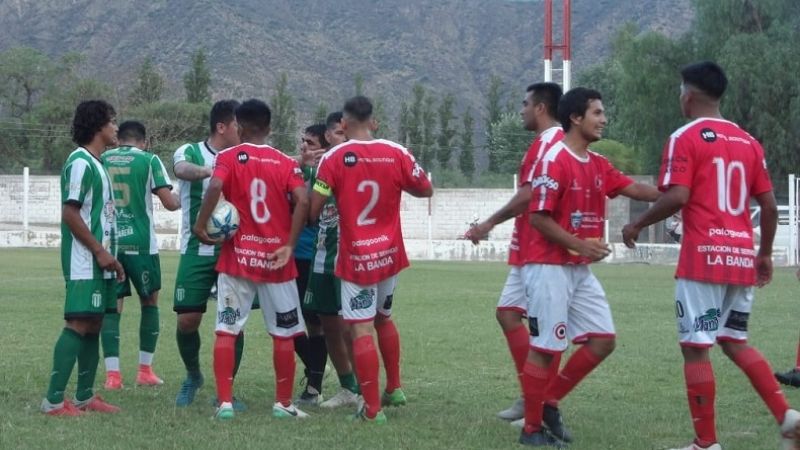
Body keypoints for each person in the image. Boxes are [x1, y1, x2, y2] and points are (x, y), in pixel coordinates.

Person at [622, 61, 800, 450]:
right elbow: (768, 207)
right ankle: (788, 416)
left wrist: (637, 225)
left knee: (695, 346)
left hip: (703, 258)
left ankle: (706, 443)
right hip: (739, 257)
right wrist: (765, 254)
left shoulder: (684, 137)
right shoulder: (749, 142)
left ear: (689, 95)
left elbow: (678, 195)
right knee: (735, 341)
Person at [519, 87, 660, 446]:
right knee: (546, 348)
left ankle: (548, 400)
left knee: (602, 340)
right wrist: (582, 244)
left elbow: (635, 189)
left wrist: (679, 192)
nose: (604, 119)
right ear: (575, 118)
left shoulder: (597, 164)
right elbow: (538, 218)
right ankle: (531, 430)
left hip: (578, 268)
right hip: (548, 266)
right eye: (597, 112)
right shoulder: (555, 160)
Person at [310, 96, 433, 423]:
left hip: (357, 259)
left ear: (343, 126)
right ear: (374, 123)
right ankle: (394, 388)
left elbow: (314, 208)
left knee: (361, 329)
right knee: (384, 319)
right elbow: (426, 189)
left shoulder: (333, 158)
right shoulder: (397, 152)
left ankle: (372, 409)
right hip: (389, 254)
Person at [193, 99, 309, 420]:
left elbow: (216, 184)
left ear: (239, 126)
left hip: (238, 259)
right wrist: (289, 244)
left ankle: (225, 403)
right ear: (269, 128)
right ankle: (283, 404)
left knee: (226, 330)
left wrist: (200, 225)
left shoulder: (227, 156)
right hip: (277, 260)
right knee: (283, 333)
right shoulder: (286, 162)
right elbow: (302, 199)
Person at [464, 82, 564, 423]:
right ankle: (532, 395)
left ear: (540, 107)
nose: (521, 110)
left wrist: (489, 223)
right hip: (529, 249)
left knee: (546, 330)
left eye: (525, 104)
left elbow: (529, 195)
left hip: (544, 252)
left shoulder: (551, 143)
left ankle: (542, 402)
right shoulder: (544, 142)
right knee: (508, 314)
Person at [41, 100, 124, 416]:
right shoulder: (80, 162)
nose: (116, 128)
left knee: (95, 322)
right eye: (112, 122)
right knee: (78, 322)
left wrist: (110, 256)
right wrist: (100, 252)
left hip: (100, 259)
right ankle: (52, 401)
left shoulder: (98, 163)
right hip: (84, 259)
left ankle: (85, 396)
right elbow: (70, 213)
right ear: (98, 126)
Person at [172, 100, 242, 408]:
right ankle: (193, 375)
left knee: (232, 321)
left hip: (233, 249)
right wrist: (209, 171)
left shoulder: (243, 155)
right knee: (188, 320)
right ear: (222, 127)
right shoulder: (189, 151)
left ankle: (225, 392)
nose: (242, 131)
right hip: (196, 247)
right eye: (238, 126)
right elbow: (181, 170)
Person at [100, 121, 180, 389]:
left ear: (119, 138)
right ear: (143, 141)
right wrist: (190, 194)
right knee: (150, 302)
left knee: (114, 306)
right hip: (141, 243)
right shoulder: (149, 160)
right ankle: (144, 370)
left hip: (110, 243)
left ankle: (113, 376)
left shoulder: (101, 157)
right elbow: (170, 203)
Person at [305, 112, 361, 409]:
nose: (345, 141)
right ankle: (347, 387)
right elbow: (310, 210)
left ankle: (367, 390)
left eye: (347, 135)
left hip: (353, 253)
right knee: (328, 323)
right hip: (323, 252)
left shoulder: (358, 163)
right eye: (340, 135)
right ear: (329, 136)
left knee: (354, 325)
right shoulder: (318, 167)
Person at [293, 123, 330, 406]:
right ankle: (317, 367)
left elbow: (312, 216)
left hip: (314, 256)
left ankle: (315, 385)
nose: (304, 146)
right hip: (289, 256)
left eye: (311, 143)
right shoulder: (292, 169)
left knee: (316, 323)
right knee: (285, 323)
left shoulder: (327, 173)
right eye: (303, 141)